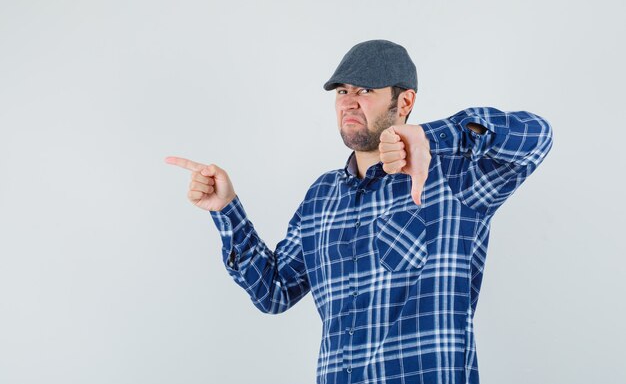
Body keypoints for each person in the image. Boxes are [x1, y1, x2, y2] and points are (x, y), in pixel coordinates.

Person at [165, 39, 553, 384]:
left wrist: (432, 137)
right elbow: (274, 292)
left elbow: (537, 136)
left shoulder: (453, 175)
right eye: (342, 90)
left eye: (365, 89)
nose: (349, 100)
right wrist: (226, 210)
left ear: (404, 102)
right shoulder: (321, 197)